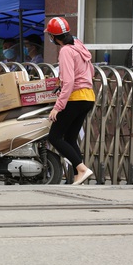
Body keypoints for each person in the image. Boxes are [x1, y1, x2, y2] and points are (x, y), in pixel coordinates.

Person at [45, 17, 95, 185]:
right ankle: (77, 175)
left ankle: (81, 168)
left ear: (53, 36)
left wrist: (57, 108)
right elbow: (91, 71)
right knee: (71, 137)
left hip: (75, 97)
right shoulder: (78, 44)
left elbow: (69, 81)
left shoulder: (66, 50)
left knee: (55, 136)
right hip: (88, 96)